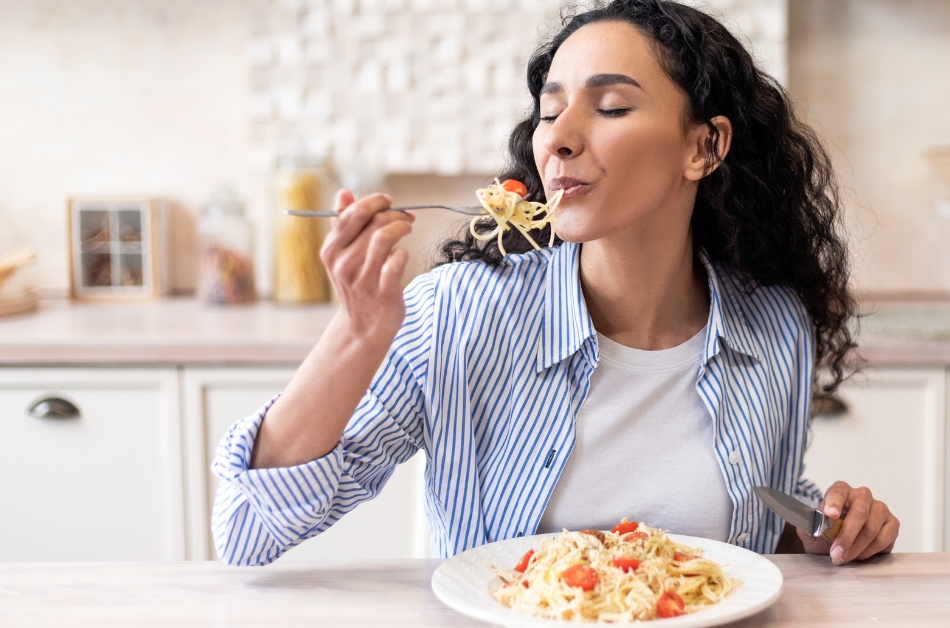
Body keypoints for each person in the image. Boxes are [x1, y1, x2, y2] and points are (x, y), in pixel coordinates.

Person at [212, 0, 899, 566]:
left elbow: (754, 526)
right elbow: (246, 531)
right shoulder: (459, 314)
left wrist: (828, 527)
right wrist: (356, 337)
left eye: (610, 107)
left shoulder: (774, 327)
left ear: (703, 147)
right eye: (549, 110)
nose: (558, 139)